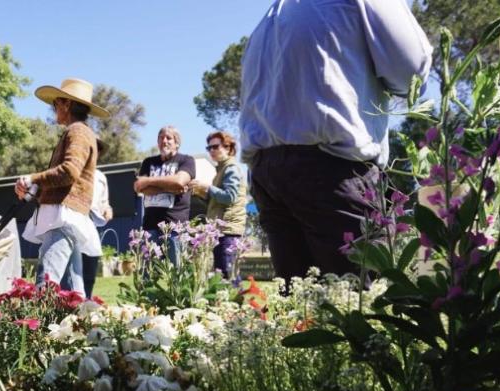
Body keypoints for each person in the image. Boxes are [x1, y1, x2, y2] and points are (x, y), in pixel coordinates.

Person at [239, 0, 432, 283]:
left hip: (267, 172)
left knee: (302, 306)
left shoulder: (272, 15)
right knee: (362, 302)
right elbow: (412, 72)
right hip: (329, 168)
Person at [14, 78, 109, 296]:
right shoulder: (81, 132)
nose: (54, 109)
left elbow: (69, 171)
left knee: (46, 285)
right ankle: (81, 329)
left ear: (66, 104)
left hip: (62, 217)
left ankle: (39, 329)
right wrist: (35, 189)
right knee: (73, 293)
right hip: (68, 216)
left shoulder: (77, 131)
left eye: (55, 104)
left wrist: (33, 179)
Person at [134, 126, 195, 264]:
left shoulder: (186, 160)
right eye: (161, 138)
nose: (164, 141)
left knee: (177, 273)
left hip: (175, 227)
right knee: (147, 273)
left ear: (177, 143)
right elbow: (138, 186)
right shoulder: (148, 162)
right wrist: (170, 187)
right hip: (150, 227)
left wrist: (148, 181)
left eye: (169, 138)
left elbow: (180, 181)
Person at [189, 131, 246, 278]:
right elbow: (218, 200)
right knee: (222, 274)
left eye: (215, 146)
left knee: (228, 275)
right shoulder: (221, 169)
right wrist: (201, 192)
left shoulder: (231, 168)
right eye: (209, 148)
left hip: (229, 230)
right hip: (221, 229)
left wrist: (207, 187)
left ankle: (234, 300)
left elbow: (229, 197)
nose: (211, 151)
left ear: (228, 148)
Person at [62, 137, 113, 298]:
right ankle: (66, 307)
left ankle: (86, 304)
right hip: (72, 224)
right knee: (71, 271)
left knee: (90, 268)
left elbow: (104, 203)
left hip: (91, 227)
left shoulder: (101, 177)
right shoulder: (71, 171)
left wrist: (107, 209)